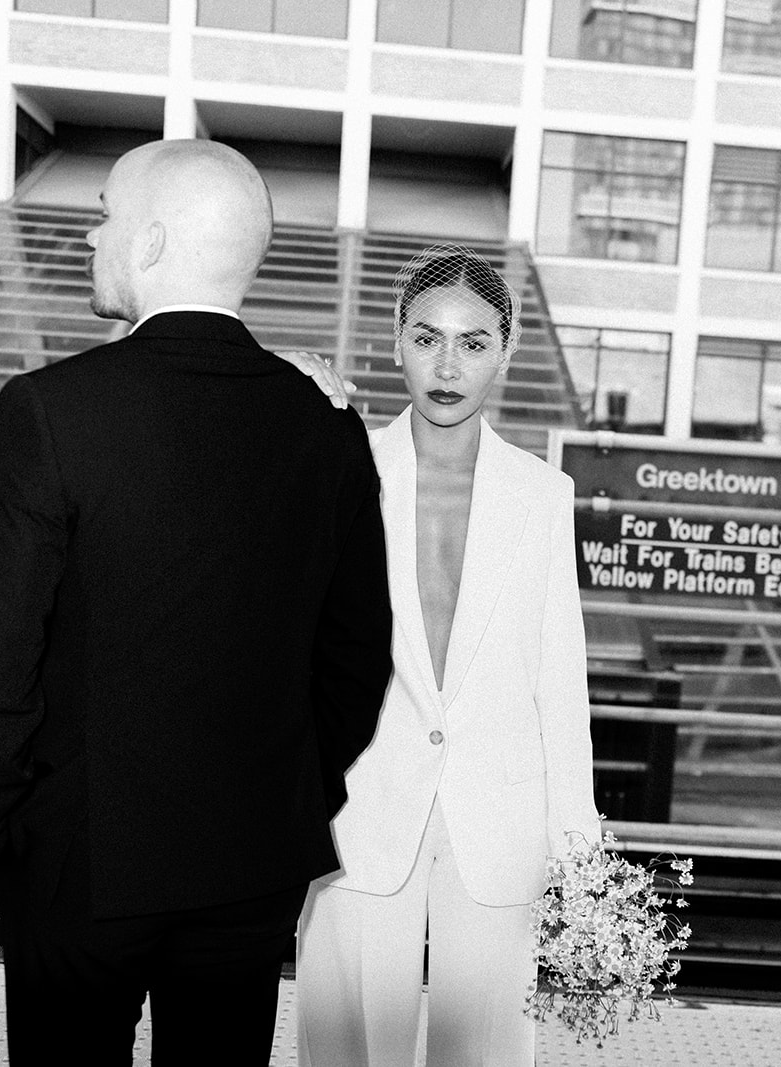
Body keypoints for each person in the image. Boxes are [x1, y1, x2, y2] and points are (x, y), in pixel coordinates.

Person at [0, 139, 394, 1066]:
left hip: (78, 858)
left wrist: (5, 828)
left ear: (147, 245)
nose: (89, 237)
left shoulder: (49, 411)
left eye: (102, 214)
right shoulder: (327, 424)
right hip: (249, 864)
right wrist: (290, 794)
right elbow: (357, 656)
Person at [290, 246, 601, 1067]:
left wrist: (580, 851)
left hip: (499, 818)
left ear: (507, 349)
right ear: (395, 341)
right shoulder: (335, 469)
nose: (447, 365)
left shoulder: (542, 494)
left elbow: (558, 683)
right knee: (347, 1050)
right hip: (357, 807)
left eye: (472, 341)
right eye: (427, 338)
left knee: (487, 1056)